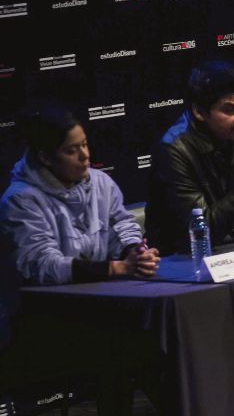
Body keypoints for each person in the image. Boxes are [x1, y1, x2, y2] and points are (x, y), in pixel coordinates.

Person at [0, 108, 159, 285]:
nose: (85, 155)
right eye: (71, 151)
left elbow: (120, 225)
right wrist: (117, 268)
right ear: (46, 158)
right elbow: (41, 265)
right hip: (43, 307)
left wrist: (134, 252)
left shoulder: (101, 182)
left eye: (84, 144)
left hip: (99, 294)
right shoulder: (20, 201)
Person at [145, 61, 234, 255]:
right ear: (199, 112)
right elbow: (200, 232)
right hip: (183, 262)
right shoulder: (174, 150)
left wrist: (227, 235)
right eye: (230, 109)